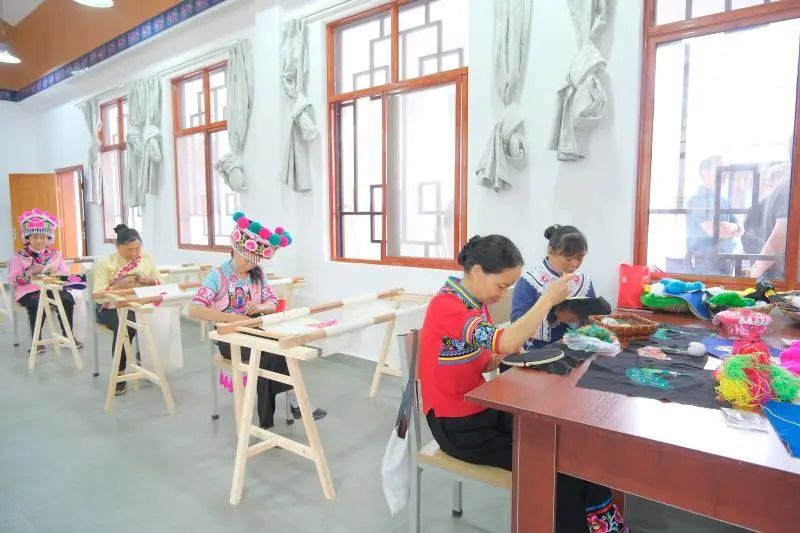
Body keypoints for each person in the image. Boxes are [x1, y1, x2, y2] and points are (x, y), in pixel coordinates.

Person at [419, 235, 627, 532]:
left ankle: (601, 524)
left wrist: (500, 356)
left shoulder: (476, 303)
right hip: (457, 427)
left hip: (482, 411)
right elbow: (502, 340)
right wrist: (546, 300)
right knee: (558, 473)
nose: (503, 294)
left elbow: (481, 360)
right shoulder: (447, 306)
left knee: (572, 449)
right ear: (477, 271)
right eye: (501, 285)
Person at [189, 212, 326, 429]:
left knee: (280, 348)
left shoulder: (258, 273)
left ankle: (278, 415)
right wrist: (232, 318)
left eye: (254, 261)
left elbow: (272, 302)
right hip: (228, 335)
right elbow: (195, 309)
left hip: (254, 325)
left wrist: (260, 307)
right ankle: (292, 407)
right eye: (246, 259)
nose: (250, 265)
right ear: (235, 250)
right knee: (266, 354)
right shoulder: (218, 275)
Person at [92, 224, 160, 396]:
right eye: (129, 249)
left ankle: (145, 357)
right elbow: (97, 295)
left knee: (159, 319)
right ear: (118, 247)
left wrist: (149, 280)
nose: (134, 253)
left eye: (137, 248)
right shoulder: (105, 263)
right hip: (110, 307)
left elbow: (159, 281)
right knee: (127, 326)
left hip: (139, 304)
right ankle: (119, 372)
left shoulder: (146, 258)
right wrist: (117, 286)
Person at [511, 224, 596, 350]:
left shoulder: (583, 280)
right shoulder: (530, 280)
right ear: (550, 252)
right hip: (538, 350)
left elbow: (594, 314)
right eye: (568, 259)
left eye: (580, 258)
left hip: (576, 347)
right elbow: (517, 324)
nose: (574, 264)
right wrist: (555, 317)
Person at [8, 209, 82, 352]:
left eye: (43, 237)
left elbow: (65, 274)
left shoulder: (55, 255)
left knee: (67, 299)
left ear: (48, 238)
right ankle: (37, 340)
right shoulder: (19, 256)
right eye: (35, 237)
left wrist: (57, 273)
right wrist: (29, 272)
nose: (39, 240)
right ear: (27, 238)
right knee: (37, 303)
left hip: (51, 289)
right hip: (29, 292)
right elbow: (13, 280)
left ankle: (68, 335)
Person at [685, 156, 743, 275]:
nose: (726, 173)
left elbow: (741, 229)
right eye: (721, 169)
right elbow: (716, 231)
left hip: (724, 264)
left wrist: (734, 227)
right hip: (703, 266)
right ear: (705, 172)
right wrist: (733, 228)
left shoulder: (723, 200)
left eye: (727, 169)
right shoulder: (698, 201)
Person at [749, 175, 791, 279]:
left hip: (775, 275)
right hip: (782, 277)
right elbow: (781, 236)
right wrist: (755, 273)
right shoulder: (790, 187)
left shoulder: (785, 186)